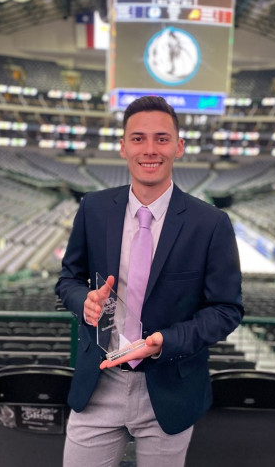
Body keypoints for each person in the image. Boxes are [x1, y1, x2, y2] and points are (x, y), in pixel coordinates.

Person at [55, 95, 244, 467]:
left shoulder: (211, 224)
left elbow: (226, 310)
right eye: (138, 138)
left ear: (179, 147)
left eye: (162, 138)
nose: (150, 149)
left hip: (169, 387)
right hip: (99, 383)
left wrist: (164, 342)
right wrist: (85, 301)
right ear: (123, 147)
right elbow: (68, 280)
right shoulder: (93, 208)